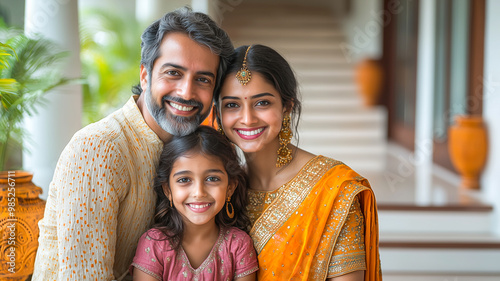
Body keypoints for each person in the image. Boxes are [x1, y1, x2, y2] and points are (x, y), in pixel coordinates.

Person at [33, 7, 234, 281]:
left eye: (202, 79)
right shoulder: (99, 149)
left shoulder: (189, 151)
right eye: (173, 73)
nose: (186, 92)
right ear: (145, 75)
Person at [214, 44, 382, 281]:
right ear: (218, 113)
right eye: (232, 105)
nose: (247, 118)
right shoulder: (217, 189)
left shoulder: (334, 191)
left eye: (262, 103)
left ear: (287, 106)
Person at [130, 126, 258, 280]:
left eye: (212, 179)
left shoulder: (238, 245)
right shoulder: (155, 244)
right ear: (167, 190)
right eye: (184, 180)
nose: (199, 192)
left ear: (230, 188)